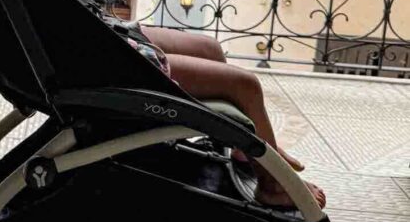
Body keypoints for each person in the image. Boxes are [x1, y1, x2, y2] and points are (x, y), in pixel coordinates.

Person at [139, 25, 326, 210]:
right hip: (117, 63)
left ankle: (242, 143)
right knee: (246, 86)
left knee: (211, 49)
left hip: (119, 36)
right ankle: (271, 186)